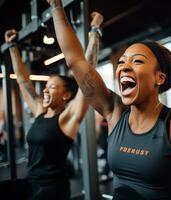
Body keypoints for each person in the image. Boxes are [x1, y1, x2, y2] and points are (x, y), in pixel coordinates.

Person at [47, 0, 171, 199]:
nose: (123, 66)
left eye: (137, 61)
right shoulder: (114, 111)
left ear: (159, 78)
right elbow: (76, 61)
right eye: (122, 61)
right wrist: (56, 8)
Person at [0, 11, 103, 200]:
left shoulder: (67, 119)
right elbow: (23, 80)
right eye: (45, 86)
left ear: (66, 95)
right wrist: (13, 46)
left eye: (52, 87)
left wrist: (95, 30)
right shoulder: (40, 110)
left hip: (52, 189)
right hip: (30, 183)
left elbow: (88, 72)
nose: (45, 90)